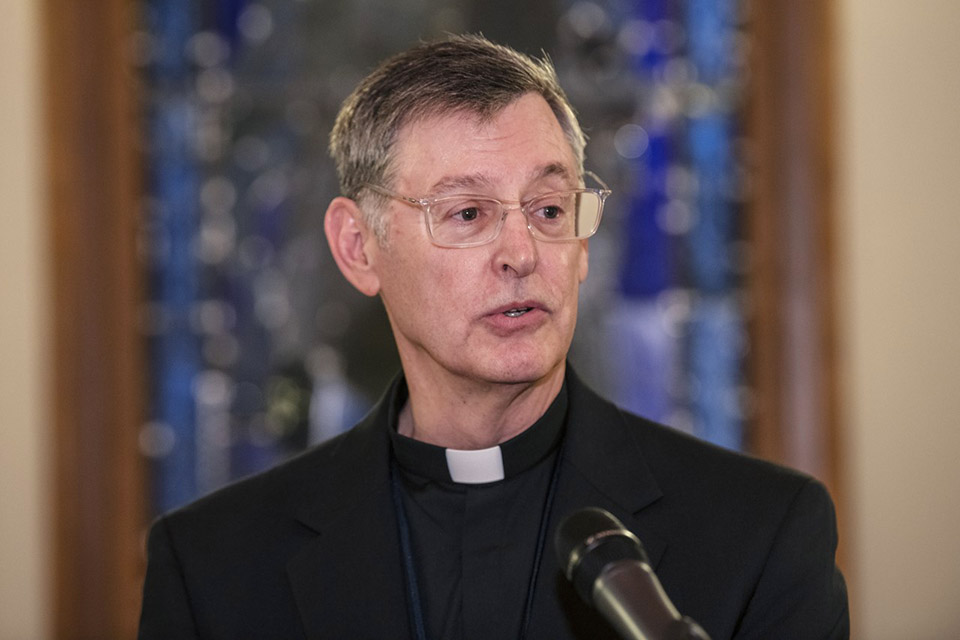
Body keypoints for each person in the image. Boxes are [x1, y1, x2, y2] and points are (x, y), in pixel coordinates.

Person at [138, 35, 848, 639]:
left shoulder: (761, 535)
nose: (523, 252)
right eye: (468, 213)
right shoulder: (213, 567)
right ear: (358, 247)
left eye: (547, 207)